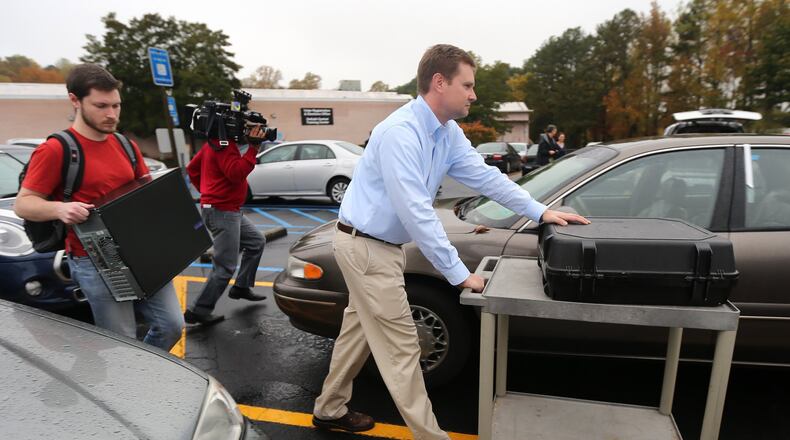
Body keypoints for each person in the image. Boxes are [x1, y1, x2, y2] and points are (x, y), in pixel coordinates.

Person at [311, 44, 589, 439]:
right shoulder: (399, 134)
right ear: (439, 83)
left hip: (380, 249)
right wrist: (460, 275)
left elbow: (486, 178)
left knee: (358, 333)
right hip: (365, 250)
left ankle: (329, 408)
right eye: (468, 85)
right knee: (404, 349)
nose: (473, 95)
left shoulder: (446, 132)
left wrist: (539, 211)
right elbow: (416, 212)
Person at [14, 64, 184, 351]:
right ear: (75, 100)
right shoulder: (57, 149)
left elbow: (144, 192)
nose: (112, 114)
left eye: (116, 105)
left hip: (141, 254)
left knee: (171, 326)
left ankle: (145, 371)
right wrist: (60, 210)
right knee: (121, 342)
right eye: (101, 106)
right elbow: (23, 203)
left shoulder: (125, 144)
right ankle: (130, 387)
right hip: (94, 261)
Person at [183, 125, 268, 325]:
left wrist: (206, 191)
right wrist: (253, 148)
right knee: (225, 267)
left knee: (257, 241)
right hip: (223, 211)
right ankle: (199, 310)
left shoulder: (212, 145)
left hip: (228, 209)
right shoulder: (224, 145)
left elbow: (192, 169)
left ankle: (241, 287)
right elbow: (236, 173)